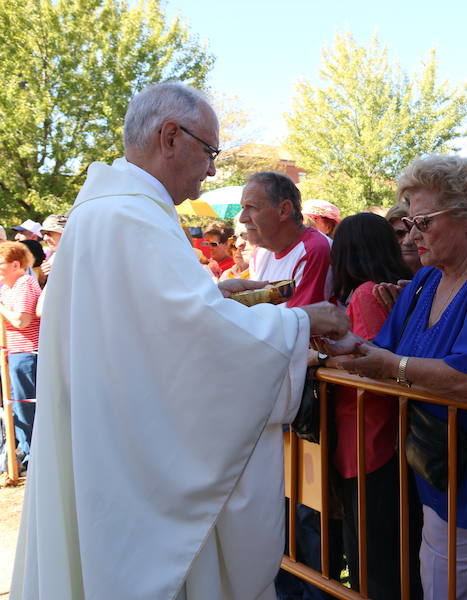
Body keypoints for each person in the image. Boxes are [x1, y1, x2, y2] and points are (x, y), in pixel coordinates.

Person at [11, 81, 349, 600]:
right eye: (209, 151)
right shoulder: (131, 216)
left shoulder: (104, 209)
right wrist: (305, 323)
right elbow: (194, 341)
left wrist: (221, 300)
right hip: (132, 460)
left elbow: (154, 329)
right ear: (170, 137)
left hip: (111, 439)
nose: (212, 169)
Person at [326, 155, 467, 600]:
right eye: (410, 223)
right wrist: (339, 347)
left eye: (424, 222)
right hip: (440, 472)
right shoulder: (425, 281)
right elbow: (382, 350)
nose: (412, 236)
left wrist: (387, 367)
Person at [327, 212, 415, 598]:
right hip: (378, 441)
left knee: (374, 562)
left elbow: (368, 363)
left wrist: (322, 359)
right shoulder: (388, 290)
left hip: (370, 442)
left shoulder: (366, 293)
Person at [242, 171, 333, 306]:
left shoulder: (314, 250)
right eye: (243, 207)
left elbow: (302, 322)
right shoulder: (260, 253)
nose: (242, 218)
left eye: (251, 207)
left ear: (284, 210)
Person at [0, 242, 42, 477]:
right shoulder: (7, 289)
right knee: (16, 406)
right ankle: (25, 454)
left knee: (27, 406)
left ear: (16, 264)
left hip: (27, 353)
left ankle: (33, 455)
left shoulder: (25, 284)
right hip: (13, 353)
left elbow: (21, 321)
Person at [386, 202, 423, 275]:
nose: (408, 242)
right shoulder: (378, 282)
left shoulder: (442, 278)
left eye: (415, 232)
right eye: (399, 233)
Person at [38, 214, 67, 279]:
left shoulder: (77, 257)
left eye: (49, 233)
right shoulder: (53, 258)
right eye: (44, 234)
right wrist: (42, 278)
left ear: (64, 234)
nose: (45, 238)